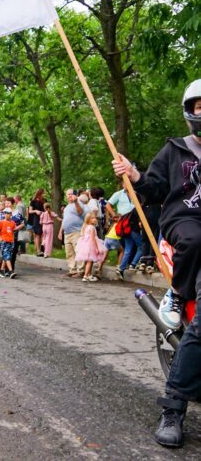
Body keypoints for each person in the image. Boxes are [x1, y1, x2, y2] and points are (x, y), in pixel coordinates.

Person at [112, 79, 201, 448]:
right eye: (198, 105)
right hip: (186, 224)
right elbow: (150, 189)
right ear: (189, 110)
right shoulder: (175, 150)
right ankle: (174, 407)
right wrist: (133, 174)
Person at [57, 188, 86, 277]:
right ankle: (73, 270)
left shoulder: (79, 203)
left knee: (78, 251)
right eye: (67, 194)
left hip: (76, 231)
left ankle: (81, 271)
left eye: (70, 194)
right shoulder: (67, 207)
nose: (69, 196)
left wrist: (76, 202)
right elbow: (64, 220)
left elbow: (80, 212)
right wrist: (60, 231)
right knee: (69, 253)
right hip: (67, 233)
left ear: (75, 195)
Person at [75, 212, 107, 282]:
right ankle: (86, 276)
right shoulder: (92, 227)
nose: (95, 219)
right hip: (91, 245)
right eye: (92, 218)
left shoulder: (86, 226)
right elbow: (93, 239)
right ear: (88, 220)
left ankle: (89, 275)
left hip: (86, 245)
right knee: (90, 261)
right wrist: (96, 248)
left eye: (95, 217)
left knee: (90, 260)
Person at [0, 208, 17, 278]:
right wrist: (0, 238)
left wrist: (13, 240)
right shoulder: (1, 222)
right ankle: (11, 271)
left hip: (10, 242)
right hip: (4, 241)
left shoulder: (13, 223)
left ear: (11, 214)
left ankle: (1, 271)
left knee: (7, 256)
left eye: (8, 213)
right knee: (7, 256)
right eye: (5, 213)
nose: (6, 215)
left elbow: (12, 232)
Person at [28, 188, 46, 255]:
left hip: (44, 219)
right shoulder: (33, 201)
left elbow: (47, 210)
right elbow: (30, 211)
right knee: (37, 234)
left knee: (43, 234)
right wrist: (35, 211)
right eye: (44, 193)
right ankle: (38, 250)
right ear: (40, 193)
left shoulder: (44, 201)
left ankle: (43, 249)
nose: (44, 194)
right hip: (36, 219)